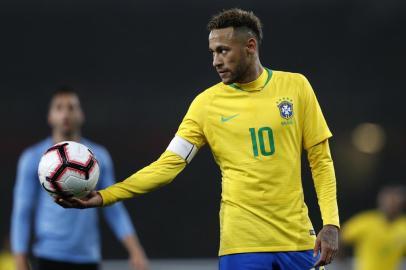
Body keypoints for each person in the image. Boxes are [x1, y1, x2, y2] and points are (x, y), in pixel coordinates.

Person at [56, 8, 340, 270]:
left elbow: (321, 161)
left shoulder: (296, 87)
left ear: (250, 47)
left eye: (223, 51)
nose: (215, 61)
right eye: (212, 52)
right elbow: (167, 165)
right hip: (242, 246)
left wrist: (331, 224)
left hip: (299, 240)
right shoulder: (206, 105)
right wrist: (106, 195)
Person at [11, 89, 149, 270]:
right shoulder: (32, 158)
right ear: (50, 116)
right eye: (59, 108)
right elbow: (22, 211)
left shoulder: (99, 157)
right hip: (47, 255)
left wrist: (135, 249)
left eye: (71, 107)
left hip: (88, 257)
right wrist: (20, 258)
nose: (66, 113)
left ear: (81, 115)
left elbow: (113, 206)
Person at [341, 185, 406, 270]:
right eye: (389, 201)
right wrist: (342, 261)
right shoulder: (367, 221)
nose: (392, 205)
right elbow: (341, 237)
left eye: (395, 202)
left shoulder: (403, 226)